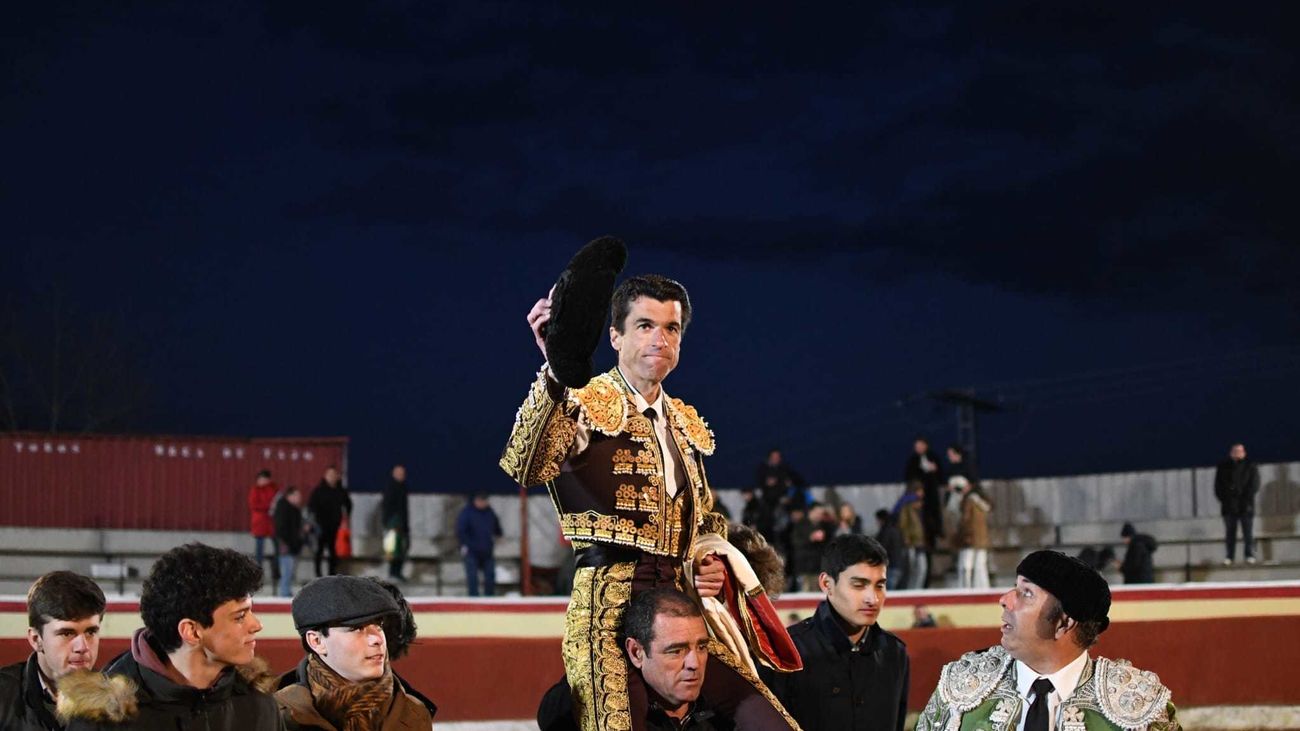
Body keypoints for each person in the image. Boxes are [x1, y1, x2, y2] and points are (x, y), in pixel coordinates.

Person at [501, 273, 797, 731]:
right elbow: (527, 464)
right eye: (644, 325)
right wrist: (557, 371)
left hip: (680, 613)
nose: (659, 339)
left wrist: (707, 559)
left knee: (771, 723)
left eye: (671, 328)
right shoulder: (582, 401)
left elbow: (702, 521)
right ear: (615, 336)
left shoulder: (683, 423)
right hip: (606, 616)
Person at [916, 550, 1179, 731]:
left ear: (1064, 623)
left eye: (1026, 593)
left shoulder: (1140, 704)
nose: (1005, 599)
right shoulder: (960, 686)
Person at [60, 544, 281, 730]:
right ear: (191, 632)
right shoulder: (101, 718)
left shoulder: (260, 703)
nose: (257, 625)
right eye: (240, 616)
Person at [764, 535, 910, 731]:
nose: (873, 599)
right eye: (859, 585)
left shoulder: (895, 653)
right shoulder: (787, 651)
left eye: (880, 585)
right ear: (826, 584)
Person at [273, 576, 433, 730]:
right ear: (316, 642)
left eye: (379, 625)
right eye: (357, 628)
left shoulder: (414, 713)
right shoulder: (275, 717)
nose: (377, 639)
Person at [0, 571, 105, 730]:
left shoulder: (120, 704)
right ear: (36, 640)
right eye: (67, 633)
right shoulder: (3, 697)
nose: (83, 647)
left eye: (91, 632)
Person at [1214, 443, 1260, 565]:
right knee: (1230, 533)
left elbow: (1254, 485)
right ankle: (1230, 556)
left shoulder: (1251, 466)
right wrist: (1226, 500)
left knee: (1248, 533)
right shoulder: (1223, 467)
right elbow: (1218, 487)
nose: (1237, 453)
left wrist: (1245, 500)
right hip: (1229, 507)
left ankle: (1249, 555)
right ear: (1231, 453)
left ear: (1244, 453)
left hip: (1246, 506)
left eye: (1239, 451)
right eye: (1235, 451)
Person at [308, 465, 352, 577]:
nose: (332, 477)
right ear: (325, 476)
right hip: (321, 526)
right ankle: (317, 574)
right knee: (319, 550)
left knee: (334, 552)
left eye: (334, 475)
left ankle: (331, 575)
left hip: (335, 526)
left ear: (337, 477)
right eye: (329, 475)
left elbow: (348, 505)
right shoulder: (318, 491)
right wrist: (313, 522)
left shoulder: (341, 491)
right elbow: (311, 507)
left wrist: (345, 519)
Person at [455, 492, 502, 597]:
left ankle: (489, 599)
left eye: (485, 500)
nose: (483, 503)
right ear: (476, 500)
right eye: (481, 500)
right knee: (472, 578)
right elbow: (460, 531)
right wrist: (465, 545)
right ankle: (473, 600)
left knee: (490, 577)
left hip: (487, 551)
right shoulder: (467, 513)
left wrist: (498, 535)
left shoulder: (490, 512)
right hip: (471, 552)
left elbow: (497, 527)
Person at [953, 476, 993, 589]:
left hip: (969, 536)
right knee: (981, 565)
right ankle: (982, 588)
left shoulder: (968, 501)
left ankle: (965, 589)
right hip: (981, 536)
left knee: (965, 565)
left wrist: (960, 535)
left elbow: (965, 520)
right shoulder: (982, 502)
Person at [273, 486, 308, 597]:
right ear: (290, 496)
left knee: (290, 571)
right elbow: (281, 528)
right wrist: (285, 542)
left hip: (293, 544)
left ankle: (286, 592)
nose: (299, 498)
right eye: (297, 496)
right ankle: (284, 593)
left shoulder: (295, 510)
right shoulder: (283, 508)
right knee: (286, 571)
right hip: (286, 544)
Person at [248, 469, 280, 583]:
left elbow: (277, 503)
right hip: (260, 523)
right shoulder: (255, 490)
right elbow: (254, 505)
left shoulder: (274, 489)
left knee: (278, 549)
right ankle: (258, 575)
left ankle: (276, 573)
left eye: (264, 479)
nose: (262, 481)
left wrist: (268, 507)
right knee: (259, 551)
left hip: (271, 523)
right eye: (260, 479)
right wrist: (268, 506)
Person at [380, 464, 411, 582]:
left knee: (403, 548)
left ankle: (398, 572)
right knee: (393, 549)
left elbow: (404, 509)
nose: (401, 475)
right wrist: (388, 523)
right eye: (399, 473)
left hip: (403, 524)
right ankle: (392, 573)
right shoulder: (390, 488)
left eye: (402, 473)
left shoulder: (404, 488)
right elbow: (386, 507)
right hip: (392, 524)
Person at [894, 483, 926, 590]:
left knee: (920, 568)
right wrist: (907, 538)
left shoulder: (915, 510)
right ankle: (912, 589)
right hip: (911, 543)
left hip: (918, 542)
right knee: (913, 568)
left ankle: (916, 588)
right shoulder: (907, 508)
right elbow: (904, 525)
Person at [874, 509, 907, 590]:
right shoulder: (896, 529)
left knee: (889, 593)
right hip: (899, 565)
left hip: (891, 566)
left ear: (881, 519)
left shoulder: (886, 531)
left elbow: (882, 548)